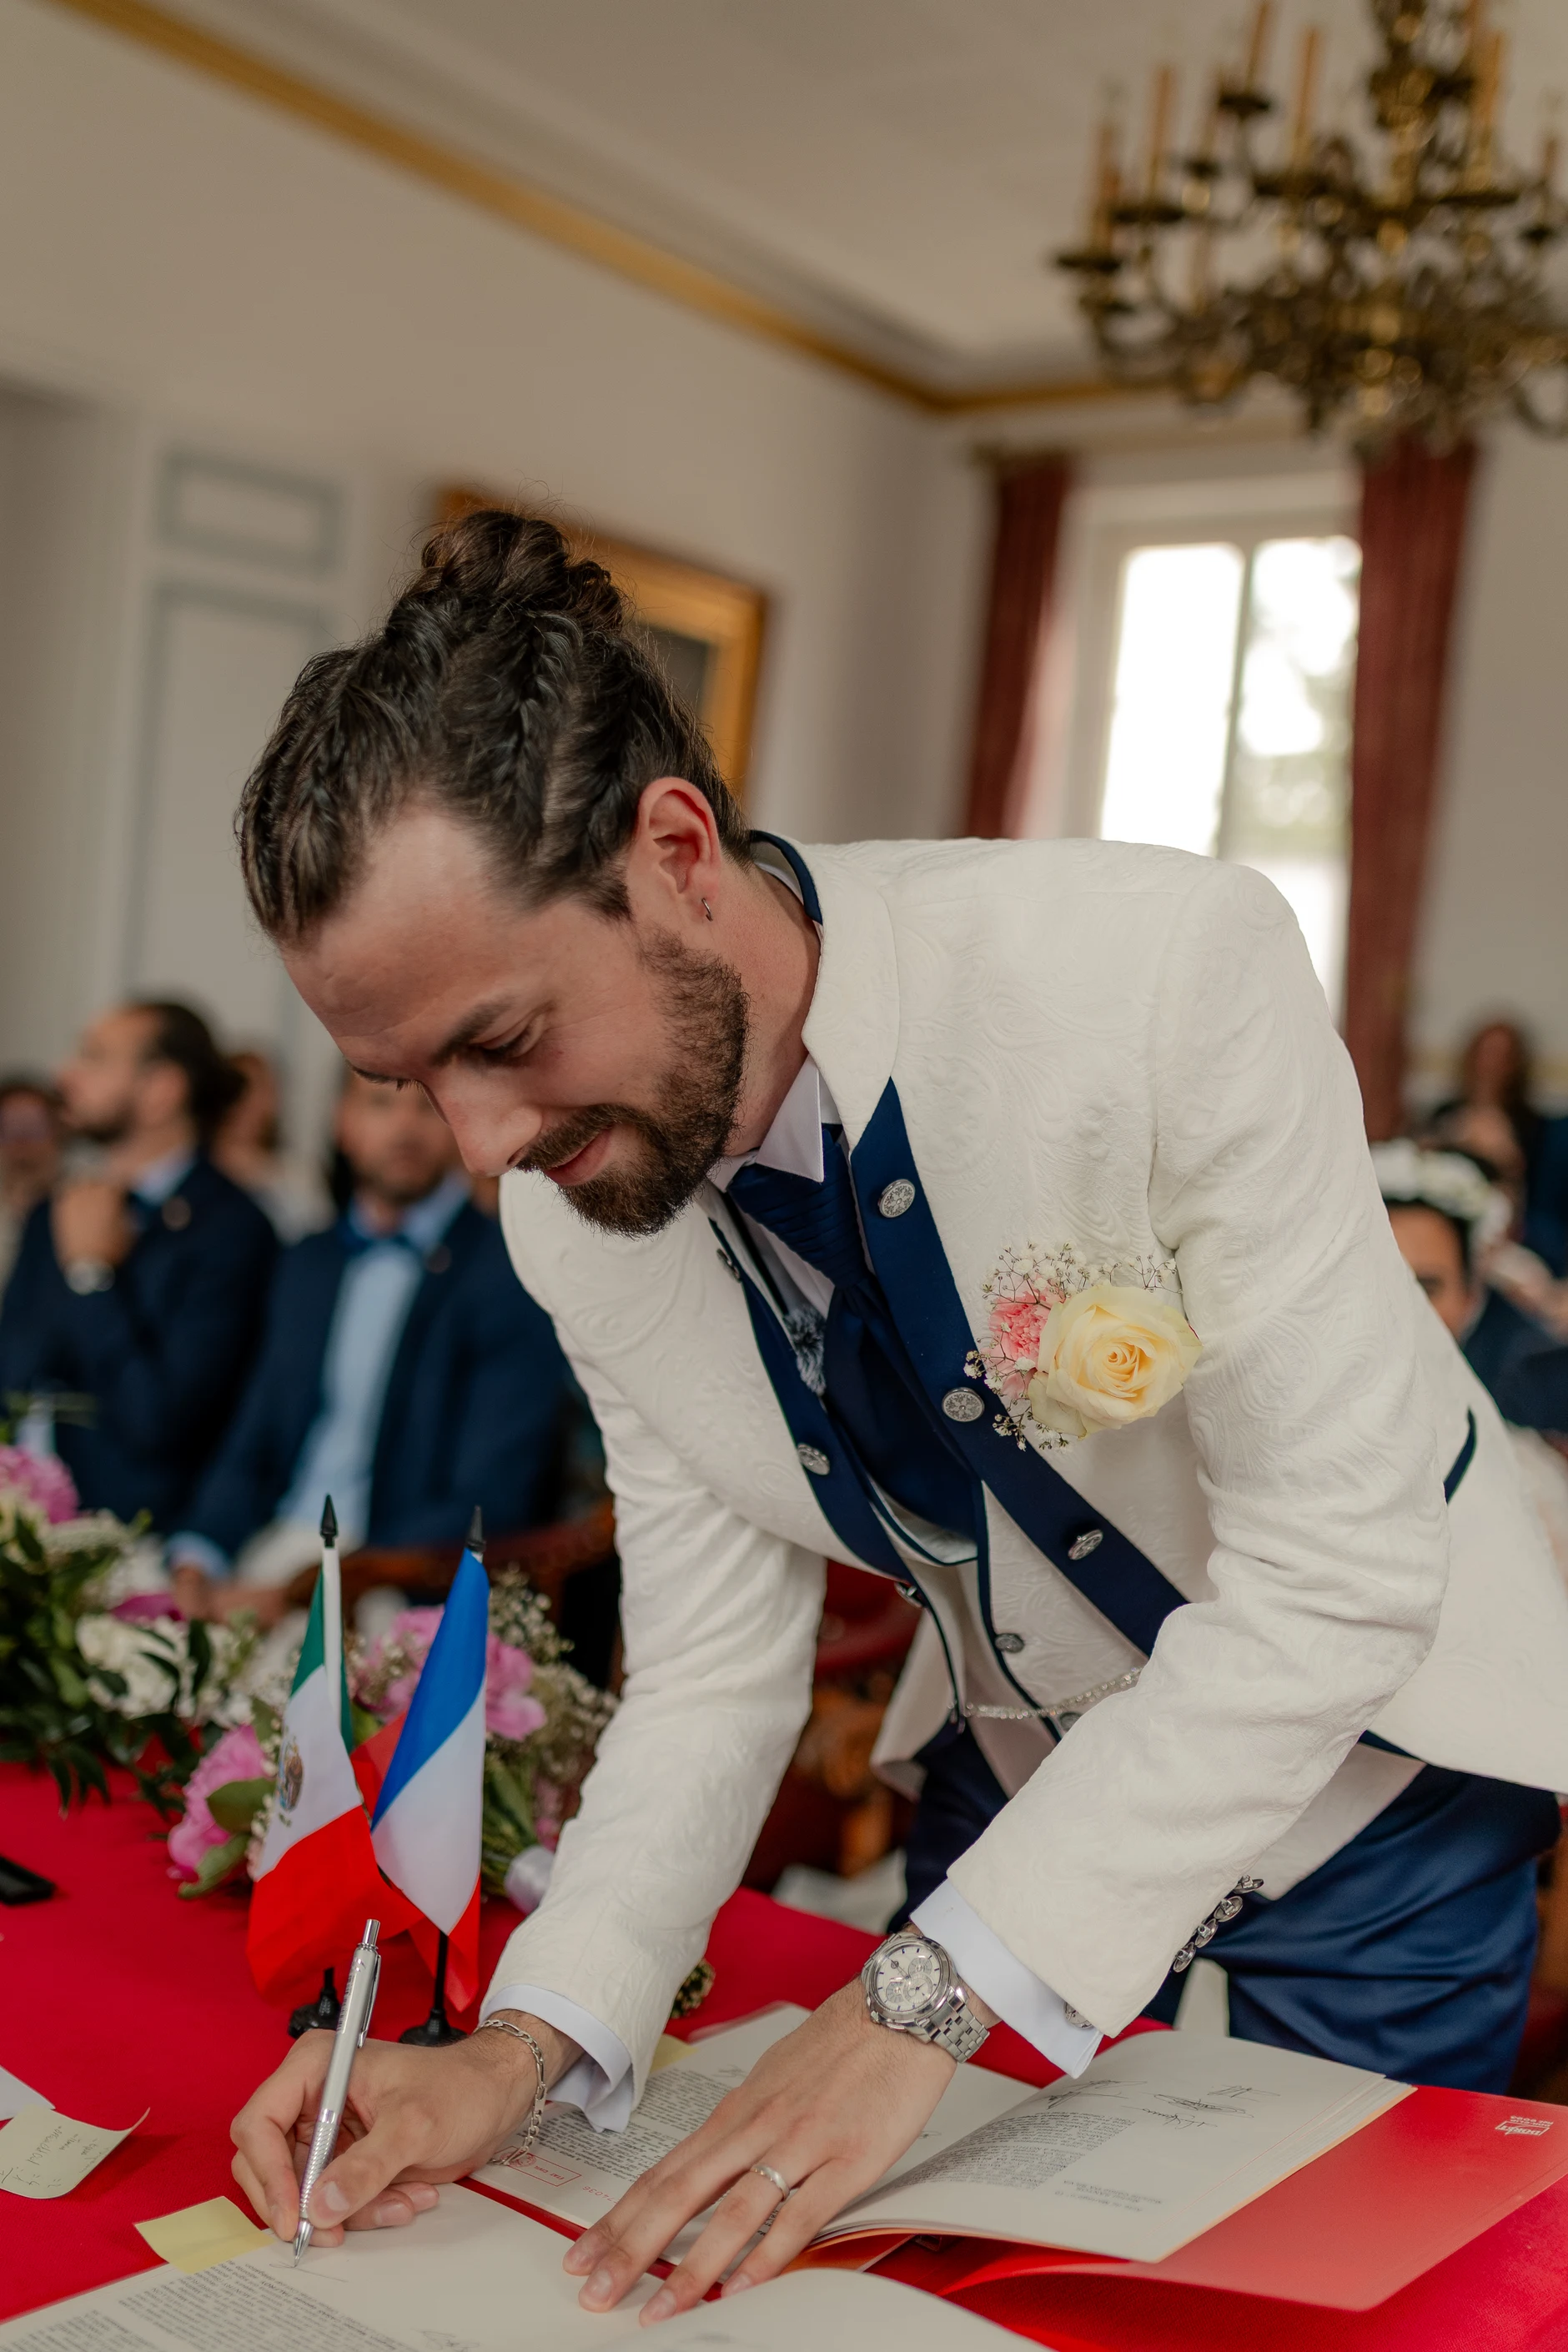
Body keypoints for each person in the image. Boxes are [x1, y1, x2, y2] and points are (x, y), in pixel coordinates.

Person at [228, 512, 1568, 2319]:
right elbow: (712, 1665)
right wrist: (525, 2047)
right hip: (1007, 1785)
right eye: (407, 1084)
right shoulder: (573, 1201)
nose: (481, 1151)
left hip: (1383, 1797)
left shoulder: (1158, 973)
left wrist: (913, 2002)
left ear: (676, 849)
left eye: (507, 1037)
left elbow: (1336, 1575)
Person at [168, 1069, 576, 1625]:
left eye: (427, 1109)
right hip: (280, 1548)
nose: (405, 1129)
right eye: (381, 1106)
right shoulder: (308, 1262)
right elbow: (254, 1442)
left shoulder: (507, 1271)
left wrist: (316, 1588)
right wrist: (199, 1556)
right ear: (344, 1124)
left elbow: (494, 1493)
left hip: (403, 1575)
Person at [0, 1002, 276, 1527]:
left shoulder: (234, 1231)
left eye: (95, 1058)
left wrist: (91, 1277)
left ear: (161, 1091)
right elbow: (12, 1373)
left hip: (136, 1534)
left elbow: (160, 1423)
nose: (65, 1074)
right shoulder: (51, 1210)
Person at [1375, 1139, 1568, 1435]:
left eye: (1427, 1289)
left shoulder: (1536, 1374)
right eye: (1386, 1285)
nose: (1405, 1308)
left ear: (1471, 1292)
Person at [1427, 1018, 1568, 1274]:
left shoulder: (1540, 1130)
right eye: (1484, 1052)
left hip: (1511, 1236)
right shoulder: (1443, 1118)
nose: (1490, 1063)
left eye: (1502, 1055)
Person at [212, 1047, 332, 1242]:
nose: (249, 1102)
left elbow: (319, 1236)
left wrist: (261, 1174)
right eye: (238, 1088)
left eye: (262, 1090)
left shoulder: (298, 1174)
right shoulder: (192, 1166)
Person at [0, 1075, 63, 1297]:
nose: (21, 1143)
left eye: (33, 1127)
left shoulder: (90, 1211)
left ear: (59, 1132)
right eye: (8, 1129)